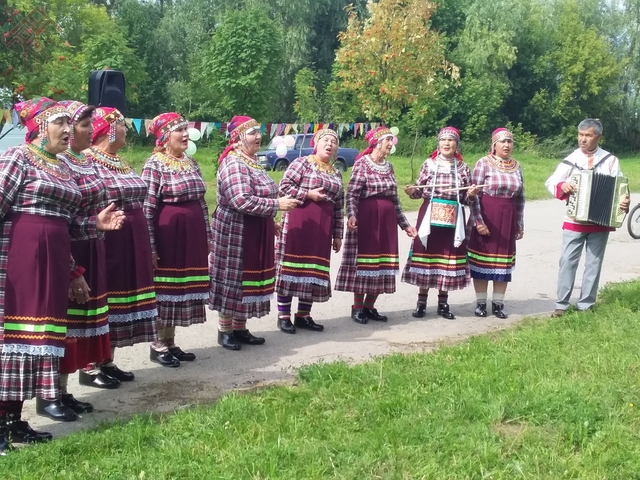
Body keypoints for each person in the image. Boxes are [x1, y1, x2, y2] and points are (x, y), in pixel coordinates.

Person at [0, 98, 123, 453]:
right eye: (61, 124)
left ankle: (14, 422)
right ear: (39, 126)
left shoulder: (64, 169)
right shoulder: (16, 159)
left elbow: (67, 226)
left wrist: (94, 224)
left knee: (40, 342)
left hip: (53, 261)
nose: (69, 131)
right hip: (18, 261)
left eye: (72, 125)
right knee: (13, 341)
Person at [34, 101, 122, 423]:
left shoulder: (85, 161)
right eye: (81, 123)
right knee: (63, 324)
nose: (82, 129)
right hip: (66, 249)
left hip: (87, 244)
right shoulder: (56, 162)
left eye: (86, 124)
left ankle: (63, 388)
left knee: (80, 322)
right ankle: (49, 393)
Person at [209, 116, 299, 351]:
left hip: (255, 227)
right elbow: (241, 200)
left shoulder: (252, 161)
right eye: (252, 133)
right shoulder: (233, 163)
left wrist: (271, 221)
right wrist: (276, 206)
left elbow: (263, 193)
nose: (258, 136)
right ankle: (225, 330)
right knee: (233, 279)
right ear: (238, 139)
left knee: (248, 279)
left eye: (258, 132)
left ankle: (240, 327)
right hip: (235, 230)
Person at [83, 107, 158, 384]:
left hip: (131, 238)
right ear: (109, 129)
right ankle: (90, 366)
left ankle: (107, 360)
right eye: (123, 125)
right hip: (108, 238)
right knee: (106, 296)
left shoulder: (121, 162)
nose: (127, 130)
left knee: (121, 298)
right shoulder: (88, 161)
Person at [142, 113, 213, 366]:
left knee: (182, 289)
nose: (185, 134)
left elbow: (201, 203)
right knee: (166, 290)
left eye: (186, 129)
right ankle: (157, 344)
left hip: (191, 235)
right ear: (164, 137)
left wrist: (207, 236)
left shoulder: (191, 163)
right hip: (167, 236)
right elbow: (146, 209)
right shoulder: (155, 164)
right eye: (178, 130)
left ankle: (170, 342)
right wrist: (149, 246)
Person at [545, 119, 630, 316]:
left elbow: (620, 188)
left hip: (600, 222)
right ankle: (562, 304)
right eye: (580, 135)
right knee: (567, 261)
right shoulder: (571, 160)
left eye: (588, 135)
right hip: (574, 221)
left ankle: (585, 305)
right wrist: (562, 187)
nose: (583, 139)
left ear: (598, 137)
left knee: (594, 263)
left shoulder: (610, 161)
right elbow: (551, 182)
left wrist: (624, 202)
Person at [335, 126, 416, 323]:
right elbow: (352, 193)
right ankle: (357, 307)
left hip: (386, 222)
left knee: (382, 264)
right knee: (364, 264)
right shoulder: (363, 163)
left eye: (391, 140)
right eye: (388, 140)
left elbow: (395, 199)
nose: (391, 143)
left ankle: (370, 306)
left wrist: (405, 225)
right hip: (367, 220)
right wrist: (352, 215)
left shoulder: (389, 167)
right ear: (377, 143)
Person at [402, 127, 479, 319]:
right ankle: (421, 303)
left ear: (456, 145)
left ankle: (443, 303)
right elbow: (419, 192)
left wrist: (471, 193)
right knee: (427, 255)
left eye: (451, 141)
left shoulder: (463, 167)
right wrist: (412, 191)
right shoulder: (429, 164)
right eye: (443, 140)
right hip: (429, 215)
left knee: (447, 257)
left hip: (453, 218)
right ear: (438, 144)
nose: (447, 144)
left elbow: (467, 199)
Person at [275, 129, 344, 334]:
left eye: (333, 141)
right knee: (292, 268)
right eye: (326, 140)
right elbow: (284, 187)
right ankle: (284, 316)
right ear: (316, 143)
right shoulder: (302, 163)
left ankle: (303, 315)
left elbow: (339, 206)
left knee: (313, 270)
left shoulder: (336, 173)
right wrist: (308, 194)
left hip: (323, 227)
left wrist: (338, 234)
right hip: (300, 221)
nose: (330, 144)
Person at [467, 128, 525, 319]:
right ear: (494, 145)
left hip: (507, 216)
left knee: (503, 262)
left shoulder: (516, 166)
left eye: (509, 141)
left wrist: (519, 223)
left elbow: (520, 199)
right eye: (502, 142)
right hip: (487, 214)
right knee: (482, 261)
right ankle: (481, 303)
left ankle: (498, 303)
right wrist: (478, 221)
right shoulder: (483, 163)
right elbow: (472, 196)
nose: (506, 145)